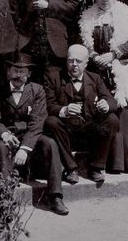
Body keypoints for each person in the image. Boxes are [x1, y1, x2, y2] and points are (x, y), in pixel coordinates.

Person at [78, 0, 128, 173]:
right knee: (102, 113)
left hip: (120, 71)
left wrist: (114, 54)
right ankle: (105, 163)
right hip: (97, 73)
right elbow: (83, 44)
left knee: (124, 114)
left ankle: (126, 163)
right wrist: (92, 56)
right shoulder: (88, 17)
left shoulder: (125, 14)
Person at [0, 53, 68, 216]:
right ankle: (4, 200)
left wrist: (25, 148)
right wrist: (5, 134)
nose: (18, 75)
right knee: (1, 147)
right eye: (15, 70)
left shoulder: (37, 90)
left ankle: (55, 196)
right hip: (9, 136)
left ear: (29, 73)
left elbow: (37, 122)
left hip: (30, 137)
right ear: (8, 71)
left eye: (22, 71)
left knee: (50, 143)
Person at [43, 44, 120, 184]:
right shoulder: (54, 78)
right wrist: (64, 110)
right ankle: (71, 169)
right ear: (66, 61)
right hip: (65, 131)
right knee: (51, 122)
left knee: (112, 119)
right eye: (70, 60)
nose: (74, 64)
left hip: (88, 129)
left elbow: (111, 101)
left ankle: (96, 167)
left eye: (78, 61)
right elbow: (48, 105)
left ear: (86, 63)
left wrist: (106, 104)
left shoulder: (95, 78)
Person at [24, 0, 79, 81]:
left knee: (55, 81)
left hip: (55, 45)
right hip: (33, 46)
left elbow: (73, 5)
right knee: (34, 81)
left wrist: (49, 5)